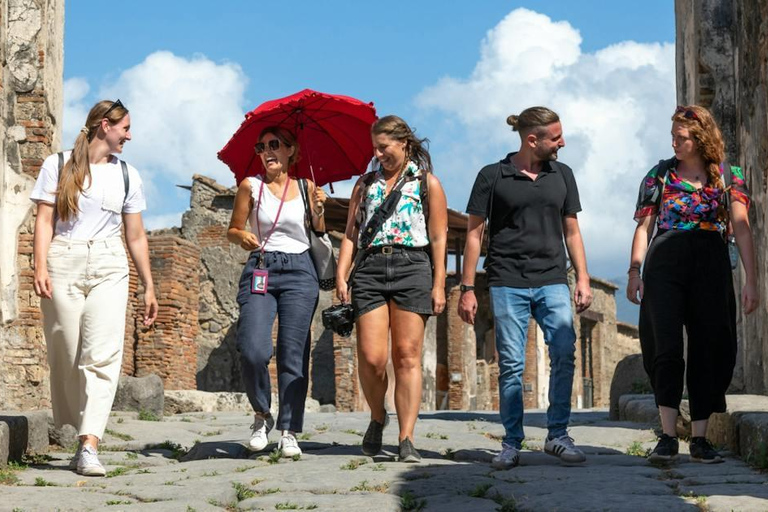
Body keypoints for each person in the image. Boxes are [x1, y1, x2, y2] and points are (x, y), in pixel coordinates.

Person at [458, 107, 592, 469]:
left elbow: (572, 231)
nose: (562, 142)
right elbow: (474, 234)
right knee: (512, 365)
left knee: (564, 351)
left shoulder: (562, 174)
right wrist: (467, 287)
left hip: (552, 279)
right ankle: (512, 441)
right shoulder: (492, 176)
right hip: (506, 281)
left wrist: (581, 277)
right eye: (555, 137)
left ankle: (558, 435)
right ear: (532, 139)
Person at [31, 99, 158, 476]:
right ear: (105, 125)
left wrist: (148, 286)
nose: (129, 136)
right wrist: (40, 265)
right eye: (125, 128)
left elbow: (135, 235)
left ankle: (90, 443)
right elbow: (44, 220)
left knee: (102, 354)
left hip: (109, 263)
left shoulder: (127, 175)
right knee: (66, 351)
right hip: (64, 259)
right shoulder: (58, 164)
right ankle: (74, 426)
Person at [627, 105, 759, 464]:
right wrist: (634, 271)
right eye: (672, 136)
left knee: (710, 347)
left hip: (710, 263)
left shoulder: (728, 177)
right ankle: (668, 436)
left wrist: (752, 280)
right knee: (665, 346)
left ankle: (700, 439)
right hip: (665, 263)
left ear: (700, 138)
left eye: (680, 137)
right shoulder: (661, 175)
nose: (674, 143)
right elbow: (644, 226)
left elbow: (743, 228)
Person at [335, 115, 447, 462]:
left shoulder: (427, 183)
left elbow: (440, 236)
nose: (378, 154)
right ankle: (377, 416)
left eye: (383, 147)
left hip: (412, 267)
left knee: (407, 356)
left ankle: (406, 438)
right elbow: (352, 234)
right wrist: (341, 274)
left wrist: (440, 282)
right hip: (369, 268)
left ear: (404, 144)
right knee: (371, 359)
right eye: (375, 149)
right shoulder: (364, 184)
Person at [228, 126, 327, 458]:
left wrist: (320, 208)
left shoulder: (307, 186)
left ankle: (289, 430)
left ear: (290, 150)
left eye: (274, 145)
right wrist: (241, 237)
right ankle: (261, 415)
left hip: (301, 271)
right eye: (262, 147)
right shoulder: (250, 186)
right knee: (252, 347)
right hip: (261, 267)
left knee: (293, 352)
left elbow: (319, 230)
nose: (267, 151)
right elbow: (233, 228)